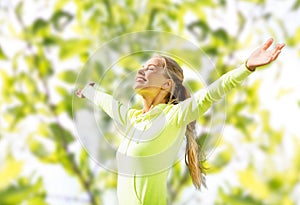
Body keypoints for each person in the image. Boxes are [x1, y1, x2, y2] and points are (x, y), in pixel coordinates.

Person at [76, 38, 285, 205]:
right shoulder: (132, 119)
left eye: (150, 68)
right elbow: (109, 103)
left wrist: (246, 67)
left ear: (167, 84)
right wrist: (89, 91)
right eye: (142, 66)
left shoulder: (173, 116)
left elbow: (211, 93)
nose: (141, 70)